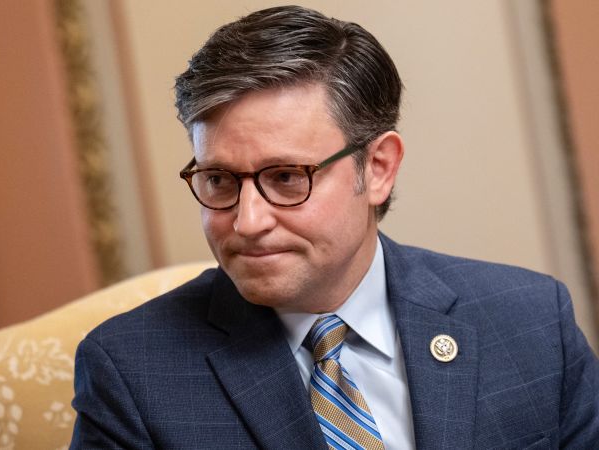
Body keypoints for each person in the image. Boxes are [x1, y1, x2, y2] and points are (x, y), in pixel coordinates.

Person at [70, 5, 599, 449]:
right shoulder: (133, 372)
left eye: (285, 177)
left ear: (378, 169)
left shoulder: (530, 321)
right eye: (219, 180)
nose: (248, 222)